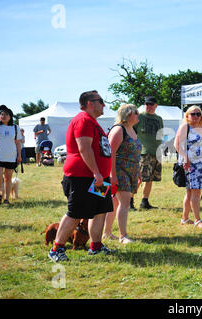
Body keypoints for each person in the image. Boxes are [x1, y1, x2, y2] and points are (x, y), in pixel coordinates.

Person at [48, 90, 114, 262]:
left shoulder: (93, 122)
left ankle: (96, 247)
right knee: (76, 213)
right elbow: (84, 148)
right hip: (83, 176)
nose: (104, 105)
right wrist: (96, 172)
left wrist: (103, 174)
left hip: (97, 177)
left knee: (100, 211)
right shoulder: (83, 120)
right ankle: (57, 249)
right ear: (90, 103)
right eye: (101, 101)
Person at [103, 104, 141, 244]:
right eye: (135, 112)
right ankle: (123, 235)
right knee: (124, 203)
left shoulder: (132, 129)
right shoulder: (119, 129)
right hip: (119, 170)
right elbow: (111, 153)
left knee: (115, 202)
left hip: (131, 170)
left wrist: (138, 172)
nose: (138, 115)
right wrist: (112, 175)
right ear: (127, 114)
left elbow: (135, 153)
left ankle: (106, 233)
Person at [174, 106, 202, 228]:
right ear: (187, 115)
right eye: (193, 114)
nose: (196, 116)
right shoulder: (185, 126)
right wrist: (185, 157)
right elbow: (177, 144)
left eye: (198, 114)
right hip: (191, 163)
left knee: (191, 192)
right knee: (195, 192)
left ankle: (185, 219)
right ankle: (197, 220)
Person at [133, 96, 163, 210]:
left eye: (151, 104)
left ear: (156, 106)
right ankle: (130, 202)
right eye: (147, 104)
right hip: (144, 153)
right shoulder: (139, 116)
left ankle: (144, 202)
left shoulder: (159, 118)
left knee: (150, 179)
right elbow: (132, 131)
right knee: (140, 178)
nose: (148, 106)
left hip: (156, 152)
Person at [0, 105, 22, 205]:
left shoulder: (15, 127)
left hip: (10, 156)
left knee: (8, 178)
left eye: (6, 114)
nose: (3, 116)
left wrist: (19, 155)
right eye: (1, 114)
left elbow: (17, 142)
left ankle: (6, 198)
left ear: (10, 116)